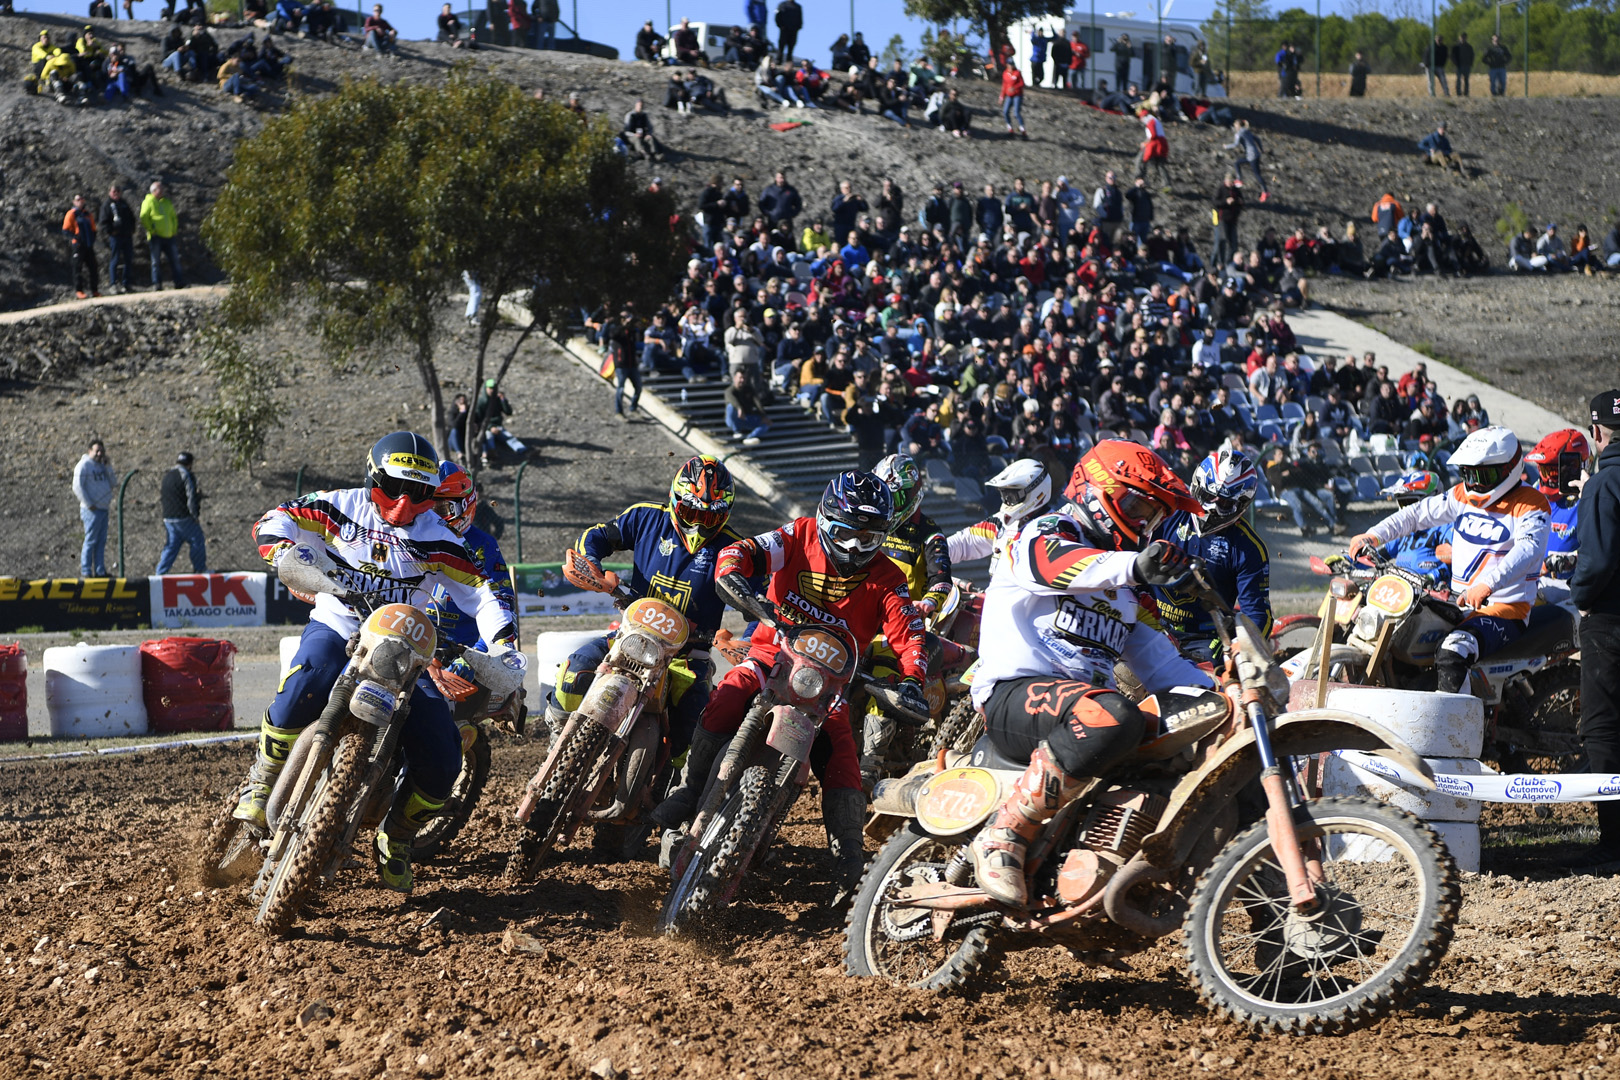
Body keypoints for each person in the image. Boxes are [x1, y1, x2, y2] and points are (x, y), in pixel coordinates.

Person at [233, 432, 520, 892]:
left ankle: (397, 836)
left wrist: (504, 646)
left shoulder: (442, 539)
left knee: (443, 754)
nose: (404, 503)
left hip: (406, 648)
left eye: (419, 494)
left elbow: (484, 594)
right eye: (394, 488)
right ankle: (262, 781)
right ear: (373, 478)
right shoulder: (338, 505)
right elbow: (275, 518)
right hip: (340, 625)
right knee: (303, 686)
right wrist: (283, 551)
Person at [964, 443, 1213, 906]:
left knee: (1178, 742)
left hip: (1078, 712)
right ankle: (1003, 833)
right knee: (1114, 714)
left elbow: (1161, 663)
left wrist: (1220, 692)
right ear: (1098, 490)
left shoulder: (1125, 590)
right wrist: (1133, 566)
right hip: (1012, 696)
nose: (1142, 523)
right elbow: (1051, 564)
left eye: (1152, 516)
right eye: (1136, 506)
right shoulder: (1042, 532)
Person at [653, 472, 927, 888]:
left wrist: (913, 679)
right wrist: (732, 569)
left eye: (868, 538)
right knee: (729, 694)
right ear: (825, 520)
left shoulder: (888, 577)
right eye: (846, 534)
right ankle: (690, 789)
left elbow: (910, 634)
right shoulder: (799, 534)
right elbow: (745, 550)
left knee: (843, 757)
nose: (855, 547)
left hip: (829, 684)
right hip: (772, 653)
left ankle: (848, 860)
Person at [542, 457, 741, 808]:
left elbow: (763, 599)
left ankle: (677, 797)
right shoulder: (646, 517)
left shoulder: (734, 549)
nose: (698, 522)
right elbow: (597, 536)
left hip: (687, 654)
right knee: (574, 671)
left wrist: (745, 638)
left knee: (696, 725)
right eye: (691, 512)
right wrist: (593, 565)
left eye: (709, 517)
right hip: (631, 637)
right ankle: (559, 737)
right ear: (675, 501)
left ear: (723, 515)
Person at [1349, 426, 1550, 695]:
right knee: (1401, 635)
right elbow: (1416, 514)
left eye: (1483, 475)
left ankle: (1461, 722)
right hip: (1458, 602)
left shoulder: (1532, 503)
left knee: (1452, 652)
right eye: (1468, 474)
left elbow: (1528, 550)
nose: (1475, 483)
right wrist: (1374, 535)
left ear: (1508, 469)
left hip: (1505, 609)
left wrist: (1488, 585)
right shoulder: (1462, 495)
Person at [859, 454, 952, 788]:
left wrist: (927, 603)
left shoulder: (930, 535)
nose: (887, 500)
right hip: (858, 616)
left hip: (898, 627)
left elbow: (942, 579)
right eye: (883, 492)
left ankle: (869, 764)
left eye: (894, 495)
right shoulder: (873, 521)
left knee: (885, 679)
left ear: (911, 494)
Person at [421, 462, 517, 737]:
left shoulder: (483, 546)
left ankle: (450, 742)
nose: (434, 518)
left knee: (434, 718)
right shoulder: (410, 536)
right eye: (426, 508)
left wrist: (473, 658)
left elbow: (503, 608)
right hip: (414, 640)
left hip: (461, 650)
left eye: (442, 510)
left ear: (465, 505)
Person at [1152, 449, 1271, 661]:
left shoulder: (1249, 548)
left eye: (1224, 503)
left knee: (1214, 678)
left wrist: (1241, 649)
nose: (1211, 507)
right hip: (1152, 622)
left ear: (1241, 505)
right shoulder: (1166, 512)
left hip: (1205, 638)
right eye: (1208, 496)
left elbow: (1257, 613)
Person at [1569, 390, 1620, 868]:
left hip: (1611, 619)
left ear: (1597, 433)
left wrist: (1579, 596)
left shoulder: (1603, 485)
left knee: (1603, 729)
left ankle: (1613, 845)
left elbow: (1596, 561)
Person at [946, 457, 1053, 575]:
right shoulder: (1001, 522)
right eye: (1004, 494)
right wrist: (935, 553)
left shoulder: (1054, 528)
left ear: (1036, 492)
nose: (1007, 501)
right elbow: (965, 542)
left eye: (1011, 496)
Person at [1526, 428, 1589, 580]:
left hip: (1569, 586)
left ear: (1575, 466)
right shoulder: (1534, 491)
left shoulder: (1591, 497)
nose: (1549, 479)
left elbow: (1604, 549)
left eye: (1554, 472)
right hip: (1533, 580)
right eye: (1545, 471)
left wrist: (1571, 560)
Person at [1370, 472, 1452, 586]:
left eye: (1411, 503)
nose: (1408, 511)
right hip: (1402, 589)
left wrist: (1433, 576)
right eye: (1403, 503)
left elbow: (1458, 560)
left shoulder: (1445, 527)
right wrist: (1349, 560)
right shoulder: (1404, 532)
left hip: (1433, 591)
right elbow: (1379, 555)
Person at [1266, 441, 1343, 537]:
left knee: (1317, 504)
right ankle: (1304, 528)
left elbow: (1299, 474)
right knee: (1297, 505)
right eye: (1279, 454)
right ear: (1274, 456)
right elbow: (1279, 482)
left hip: (1299, 488)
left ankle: (1333, 525)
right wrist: (1287, 475)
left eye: (1282, 454)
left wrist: (1288, 474)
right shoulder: (1271, 469)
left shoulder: (1288, 466)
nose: (1282, 456)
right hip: (1285, 491)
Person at [154, 451, 206, 574]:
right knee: (197, 540)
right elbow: (190, 497)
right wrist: (195, 515)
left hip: (168, 518)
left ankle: (160, 573)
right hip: (183, 517)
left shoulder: (168, 475)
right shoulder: (187, 475)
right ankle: (199, 570)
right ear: (190, 464)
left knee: (171, 546)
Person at [73, 438, 115, 578]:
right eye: (97, 451)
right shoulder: (84, 465)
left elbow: (114, 482)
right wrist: (88, 503)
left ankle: (100, 570)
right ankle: (86, 571)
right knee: (91, 540)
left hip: (103, 508)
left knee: (101, 541)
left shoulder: (102, 466)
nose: (99, 454)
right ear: (90, 450)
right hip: (91, 509)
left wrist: (108, 466)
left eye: (102, 451)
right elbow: (77, 486)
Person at [140, 181, 185, 290]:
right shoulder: (148, 202)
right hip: (156, 237)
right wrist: (151, 230)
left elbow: (173, 216)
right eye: (160, 189)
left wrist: (173, 230)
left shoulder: (166, 202)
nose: (163, 191)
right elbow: (144, 216)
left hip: (169, 236)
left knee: (174, 259)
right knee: (156, 261)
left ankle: (178, 282)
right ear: (154, 191)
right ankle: (157, 284)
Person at [97, 183, 137, 294]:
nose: (116, 193)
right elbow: (103, 222)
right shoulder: (107, 205)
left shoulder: (124, 204)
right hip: (115, 237)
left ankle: (126, 284)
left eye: (118, 191)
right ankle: (113, 284)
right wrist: (111, 231)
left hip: (127, 236)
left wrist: (132, 229)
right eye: (114, 191)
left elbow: (132, 218)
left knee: (128, 259)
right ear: (110, 192)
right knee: (115, 259)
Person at [61, 193, 99, 300]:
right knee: (77, 268)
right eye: (78, 199)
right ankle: (79, 290)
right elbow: (65, 230)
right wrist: (76, 238)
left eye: (82, 199)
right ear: (74, 202)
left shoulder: (87, 214)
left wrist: (92, 239)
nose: (80, 201)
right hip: (78, 246)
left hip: (88, 245)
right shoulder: (71, 214)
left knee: (93, 267)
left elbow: (93, 229)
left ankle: (94, 290)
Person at [1224, 118, 1269, 202]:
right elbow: (1257, 139)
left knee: (1256, 174)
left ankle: (1265, 191)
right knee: (1238, 163)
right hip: (1256, 154)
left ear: (1238, 125)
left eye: (1235, 124)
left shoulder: (1239, 134)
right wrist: (1261, 149)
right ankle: (1264, 191)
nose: (1234, 126)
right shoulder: (1247, 131)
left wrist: (1226, 146)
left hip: (1251, 156)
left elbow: (1235, 144)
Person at [724, 368, 771, 446]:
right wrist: (739, 408)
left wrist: (763, 415)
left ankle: (750, 437)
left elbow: (757, 402)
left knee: (766, 424)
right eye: (740, 378)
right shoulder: (729, 391)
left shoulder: (749, 389)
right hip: (734, 419)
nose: (742, 380)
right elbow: (732, 400)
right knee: (730, 407)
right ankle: (736, 431)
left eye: (744, 378)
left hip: (745, 417)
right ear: (735, 378)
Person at [1136, 107, 1168, 188]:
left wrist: (1145, 143)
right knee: (1160, 165)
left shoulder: (1150, 121)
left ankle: (1140, 179)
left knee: (1141, 160)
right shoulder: (1155, 120)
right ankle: (1166, 184)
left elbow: (1153, 135)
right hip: (1162, 144)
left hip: (1154, 144)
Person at [999, 60, 1026, 137]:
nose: (1011, 66)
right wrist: (1001, 97)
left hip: (1017, 95)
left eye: (1012, 65)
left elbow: (1022, 83)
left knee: (1016, 113)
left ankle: (1022, 129)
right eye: (1010, 65)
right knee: (1005, 111)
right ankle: (1010, 128)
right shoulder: (1005, 74)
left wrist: (1015, 87)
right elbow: (1004, 86)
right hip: (1009, 96)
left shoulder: (1017, 73)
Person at [1452, 32, 1474, 96]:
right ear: (1459, 38)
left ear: (1466, 38)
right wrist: (1456, 63)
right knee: (1458, 80)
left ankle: (1466, 93)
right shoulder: (1456, 47)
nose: (1463, 38)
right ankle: (1458, 93)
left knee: (1466, 80)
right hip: (1459, 66)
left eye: (1464, 37)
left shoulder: (1469, 47)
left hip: (1467, 66)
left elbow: (1472, 55)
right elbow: (1452, 56)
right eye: (1462, 37)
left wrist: (1470, 63)